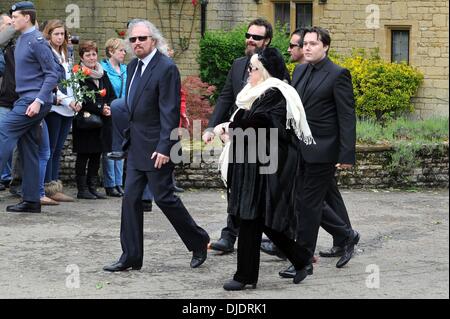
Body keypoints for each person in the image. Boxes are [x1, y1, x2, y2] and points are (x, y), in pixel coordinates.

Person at [103, 19, 209, 272]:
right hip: (137, 145)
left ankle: (198, 240)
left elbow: (170, 112)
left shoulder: (166, 68)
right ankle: (131, 256)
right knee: (130, 199)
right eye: (133, 39)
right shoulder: (133, 66)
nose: (137, 43)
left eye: (142, 38)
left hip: (157, 147)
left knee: (164, 198)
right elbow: (131, 105)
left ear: (154, 40)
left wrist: (165, 147)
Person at [215, 48, 314, 290]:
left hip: (266, 164)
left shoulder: (276, 92)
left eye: (254, 68)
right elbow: (246, 120)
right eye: (249, 68)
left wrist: (231, 125)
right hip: (250, 161)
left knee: (252, 216)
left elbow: (262, 123)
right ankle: (301, 259)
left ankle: (245, 276)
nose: (249, 72)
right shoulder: (253, 93)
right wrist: (231, 126)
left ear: (266, 71)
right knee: (257, 218)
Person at [290, 27, 359, 270]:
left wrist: (346, 153)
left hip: (324, 149)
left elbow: (347, 116)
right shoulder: (298, 71)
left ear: (326, 47)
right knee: (302, 200)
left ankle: (303, 258)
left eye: (313, 44)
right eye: (305, 43)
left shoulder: (338, 74)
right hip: (300, 147)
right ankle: (346, 235)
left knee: (308, 203)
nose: (307, 48)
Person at [203, 18, 275, 254]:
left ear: (267, 41)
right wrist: (211, 127)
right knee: (235, 185)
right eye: (248, 35)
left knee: (265, 192)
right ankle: (229, 236)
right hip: (236, 138)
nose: (250, 40)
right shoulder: (237, 65)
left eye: (256, 37)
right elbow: (225, 98)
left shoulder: (273, 68)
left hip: (264, 140)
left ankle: (282, 240)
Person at [0, 1, 60, 213]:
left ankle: (31, 197)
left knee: (3, 131)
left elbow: (53, 73)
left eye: (15, 17)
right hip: (24, 100)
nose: (12, 21)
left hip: (33, 101)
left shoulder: (37, 41)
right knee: (29, 149)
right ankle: (32, 200)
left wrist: (39, 101)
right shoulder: (21, 40)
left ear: (27, 17)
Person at [72, 40, 115, 200]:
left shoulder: (102, 74)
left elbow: (111, 94)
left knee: (96, 155)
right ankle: (82, 189)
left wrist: (109, 106)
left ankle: (92, 187)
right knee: (84, 155)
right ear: (82, 57)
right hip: (86, 121)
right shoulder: (77, 74)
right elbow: (80, 97)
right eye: (88, 54)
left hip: (102, 122)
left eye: (94, 54)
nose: (92, 57)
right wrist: (99, 108)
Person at [41, 19, 78, 203]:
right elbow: (51, 83)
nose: (59, 37)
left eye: (62, 34)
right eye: (56, 33)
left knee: (58, 150)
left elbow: (73, 77)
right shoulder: (47, 53)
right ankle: (46, 186)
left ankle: (55, 186)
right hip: (55, 107)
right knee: (50, 148)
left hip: (69, 108)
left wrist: (77, 98)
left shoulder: (67, 52)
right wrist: (67, 100)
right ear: (48, 34)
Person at [100, 38, 127, 197]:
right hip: (109, 111)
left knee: (121, 148)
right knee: (109, 148)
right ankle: (110, 184)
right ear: (111, 51)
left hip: (123, 112)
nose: (124, 53)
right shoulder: (102, 68)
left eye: (124, 50)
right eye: (121, 50)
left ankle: (119, 183)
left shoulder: (125, 69)